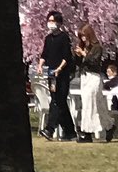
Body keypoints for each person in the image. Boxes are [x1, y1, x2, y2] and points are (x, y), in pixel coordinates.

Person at [40, 12, 76, 141]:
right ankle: (70, 131)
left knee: (57, 101)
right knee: (58, 101)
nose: (51, 23)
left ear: (59, 23)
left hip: (62, 75)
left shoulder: (64, 37)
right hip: (51, 74)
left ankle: (50, 129)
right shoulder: (48, 38)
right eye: (49, 20)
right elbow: (44, 54)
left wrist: (59, 69)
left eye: (53, 21)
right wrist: (40, 66)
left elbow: (67, 57)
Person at [75, 20, 106, 141]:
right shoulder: (84, 47)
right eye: (80, 37)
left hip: (94, 77)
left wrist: (84, 54)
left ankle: (86, 132)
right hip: (84, 77)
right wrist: (77, 55)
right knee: (92, 104)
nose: (83, 39)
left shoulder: (97, 48)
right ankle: (109, 126)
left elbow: (93, 61)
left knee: (90, 104)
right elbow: (79, 64)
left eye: (84, 36)